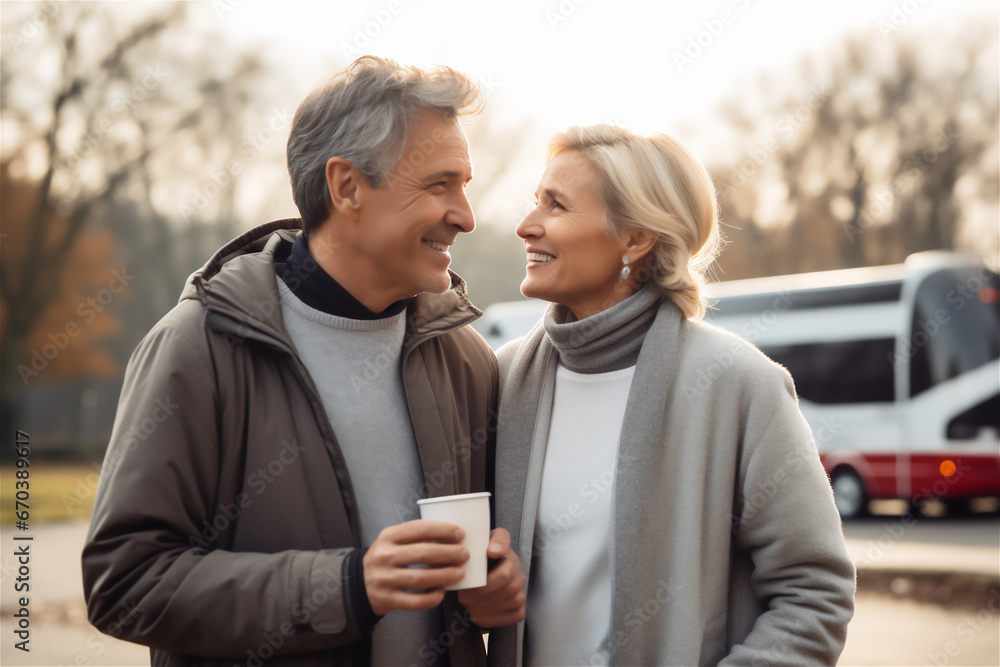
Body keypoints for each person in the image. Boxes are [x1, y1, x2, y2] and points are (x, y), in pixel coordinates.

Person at [82, 56, 525, 667]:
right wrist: (343, 589)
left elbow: (482, 575)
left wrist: (493, 592)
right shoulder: (197, 349)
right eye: (438, 185)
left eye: (465, 185)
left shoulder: (467, 362)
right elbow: (125, 585)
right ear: (346, 187)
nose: (466, 216)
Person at [487, 124, 856, 666]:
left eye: (556, 206)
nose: (526, 225)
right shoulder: (502, 378)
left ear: (635, 239)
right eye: (534, 201)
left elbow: (814, 592)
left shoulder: (739, 382)